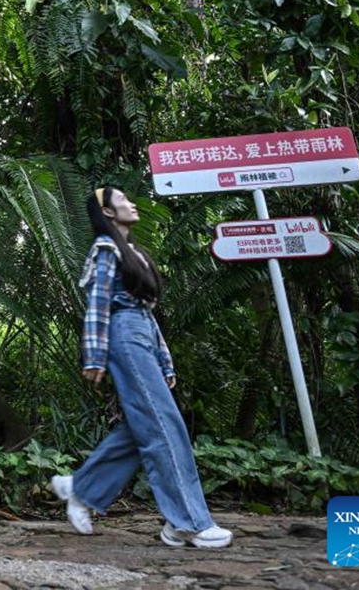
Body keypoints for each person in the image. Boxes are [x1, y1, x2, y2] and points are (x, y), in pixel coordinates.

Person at [48, 186, 233, 549]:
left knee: (144, 426)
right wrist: (95, 355)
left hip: (141, 335)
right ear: (107, 212)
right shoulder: (105, 249)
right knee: (164, 425)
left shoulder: (135, 252)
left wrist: (165, 360)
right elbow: (99, 305)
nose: (131, 203)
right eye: (122, 201)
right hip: (122, 337)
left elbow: (146, 314)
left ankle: (81, 487)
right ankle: (188, 522)